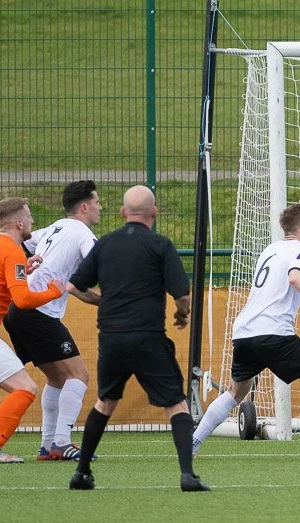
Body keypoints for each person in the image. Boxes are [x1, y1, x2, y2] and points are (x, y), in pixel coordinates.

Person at [67, 185, 208, 491]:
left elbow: (74, 286)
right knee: (176, 404)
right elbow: (182, 295)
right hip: (147, 338)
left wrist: (102, 302)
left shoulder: (104, 244)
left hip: (112, 339)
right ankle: (187, 474)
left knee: (105, 402)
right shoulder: (160, 245)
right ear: (154, 213)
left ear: (122, 213)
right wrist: (182, 313)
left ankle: (81, 472)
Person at [192, 202, 300, 460]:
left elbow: (281, 291)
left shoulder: (271, 250)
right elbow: (294, 279)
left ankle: (193, 442)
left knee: (236, 393)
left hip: (245, 333)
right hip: (274, 334)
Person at [2, 180, 103, 461]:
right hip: (37, 311)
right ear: (84, 207)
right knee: (78, 375)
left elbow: (23, 241)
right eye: (96, 203)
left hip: (18, 309)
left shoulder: (55, 228)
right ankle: (60, 441)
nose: (100, 207)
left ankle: (48, 445)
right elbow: (93, 269)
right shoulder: (83, 233)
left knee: (58, 378)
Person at [0, 197, 65, 463]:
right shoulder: (13, 251)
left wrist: (23, 269)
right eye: (29, 217)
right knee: (25, 388)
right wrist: (54, 291)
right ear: (18, 222)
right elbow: (23, 300)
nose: (32, 221)